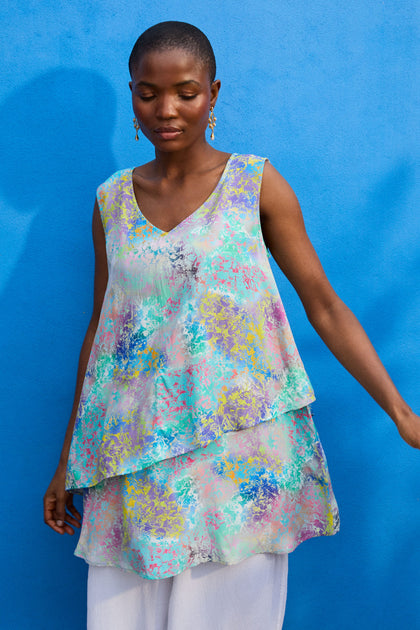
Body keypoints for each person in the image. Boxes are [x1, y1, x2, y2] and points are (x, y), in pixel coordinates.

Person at [43, 21, 420, 630]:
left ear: (214, 94)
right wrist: (70, 459)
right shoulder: (111, 201)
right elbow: (103, 335)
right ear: (133, 95)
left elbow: (322, 302)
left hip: (239, 465)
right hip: (132, 460)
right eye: (148, 93)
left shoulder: (254, 185)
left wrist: (402, 413)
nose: (166, 110)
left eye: (186, 92)